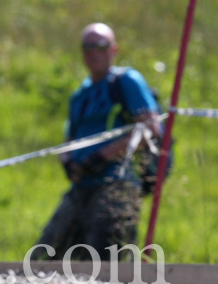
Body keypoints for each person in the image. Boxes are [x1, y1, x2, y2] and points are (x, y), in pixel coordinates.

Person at [35, 23, 161, 261]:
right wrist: (68, 162)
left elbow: (150, 130)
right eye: (88, 47)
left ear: (113, 50)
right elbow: (68, 139)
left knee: (103, 265)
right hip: (81, 187)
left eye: (101, 46)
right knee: (43, 258)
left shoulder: (126, 81)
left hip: (117, 185)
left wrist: (103, 155)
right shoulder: (79, 95)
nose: (94, 52)